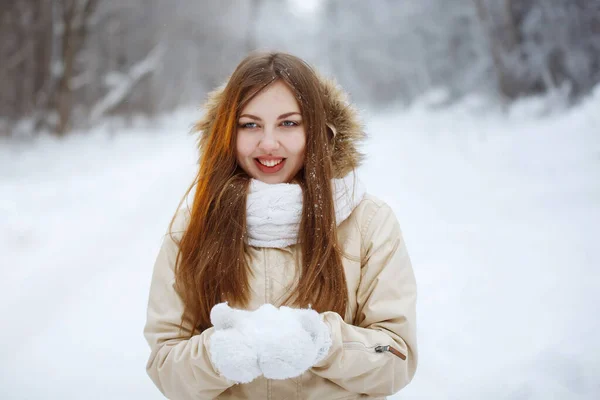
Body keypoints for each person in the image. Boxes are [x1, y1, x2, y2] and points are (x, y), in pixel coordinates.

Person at [143, 52, 418, 400]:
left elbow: (396, 362)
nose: (268, 143)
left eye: (288, 123)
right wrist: (217, 356)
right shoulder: (193, 228)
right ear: (227, 132)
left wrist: (324, 344)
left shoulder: (369, 224)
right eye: (250, 124)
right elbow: (166, 366)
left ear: (317, 130)